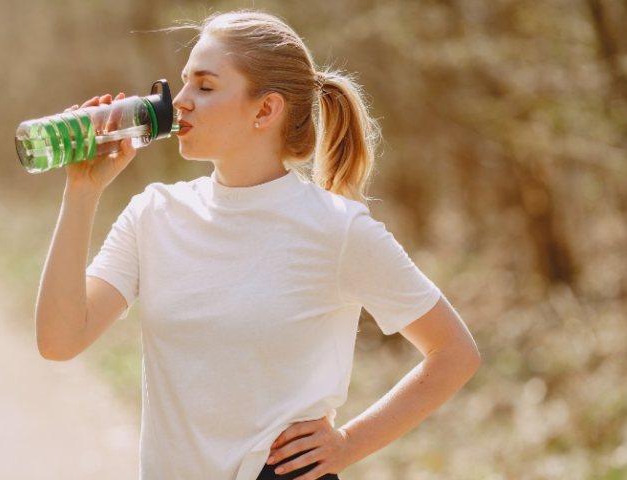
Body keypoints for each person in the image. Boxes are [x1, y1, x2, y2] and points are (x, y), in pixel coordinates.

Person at [35, 9, 481, 480]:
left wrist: (348, 443)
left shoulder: (338, 229)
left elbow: (454, 354)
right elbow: (60, 340)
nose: (179, 102)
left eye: (204, 87)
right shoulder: (154, 214)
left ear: (265, 110)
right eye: (183, 83)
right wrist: (82, 192)